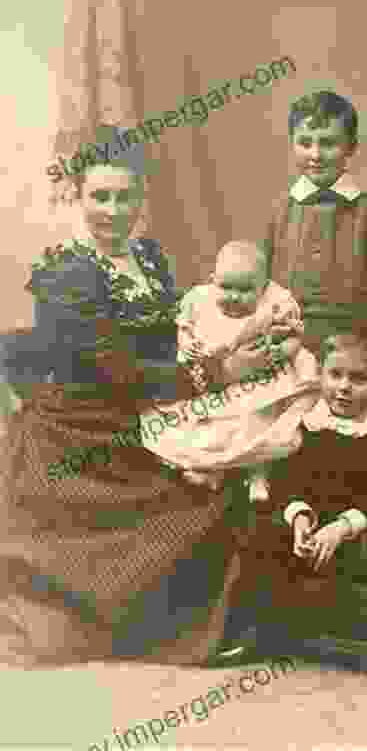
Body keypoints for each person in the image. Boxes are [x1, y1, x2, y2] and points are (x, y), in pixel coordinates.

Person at [0, 125, 240, 665]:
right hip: (83, 426)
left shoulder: (149, 258)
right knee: (197, 499)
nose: (112, 210)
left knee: (239, 458)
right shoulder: (68, 273)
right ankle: (161, 631)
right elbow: (117, 369)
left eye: (124, 196)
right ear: (78, 195)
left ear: (141, 195)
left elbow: (172, 334)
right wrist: (215, 374)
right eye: (99, 197)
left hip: (145, 404)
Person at [238, 329, 367, 702]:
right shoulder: (307, 423)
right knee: (258, 533)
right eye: (335, 375)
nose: (343, 387)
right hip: (312, 530)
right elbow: (289, 479)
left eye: (359, 379)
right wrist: (300, 519)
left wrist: (342, 528)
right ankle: (264, 633)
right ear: (321, 375)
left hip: (361, 529)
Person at [141, 240, 319, 499]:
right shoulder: (199, 299)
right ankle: (212, 468)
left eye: (246, 290)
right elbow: (184, 327)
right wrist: (187, 343)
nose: (234, 296)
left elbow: (295, 336)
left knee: (256, 424)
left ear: (263, 285)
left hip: (261, 381)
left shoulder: (276, 302)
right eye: (226, 287)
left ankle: (259, 473)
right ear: (213, 280)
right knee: (209, 425)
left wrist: (282, 352)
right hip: (212, 379)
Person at [262, 90, 367, 354]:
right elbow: (264, 282)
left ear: (351, 146)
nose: (315, 154)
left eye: (328, 143)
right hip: (289, 344)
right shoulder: (281, 209)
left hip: (353, 347)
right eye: (305, 143)